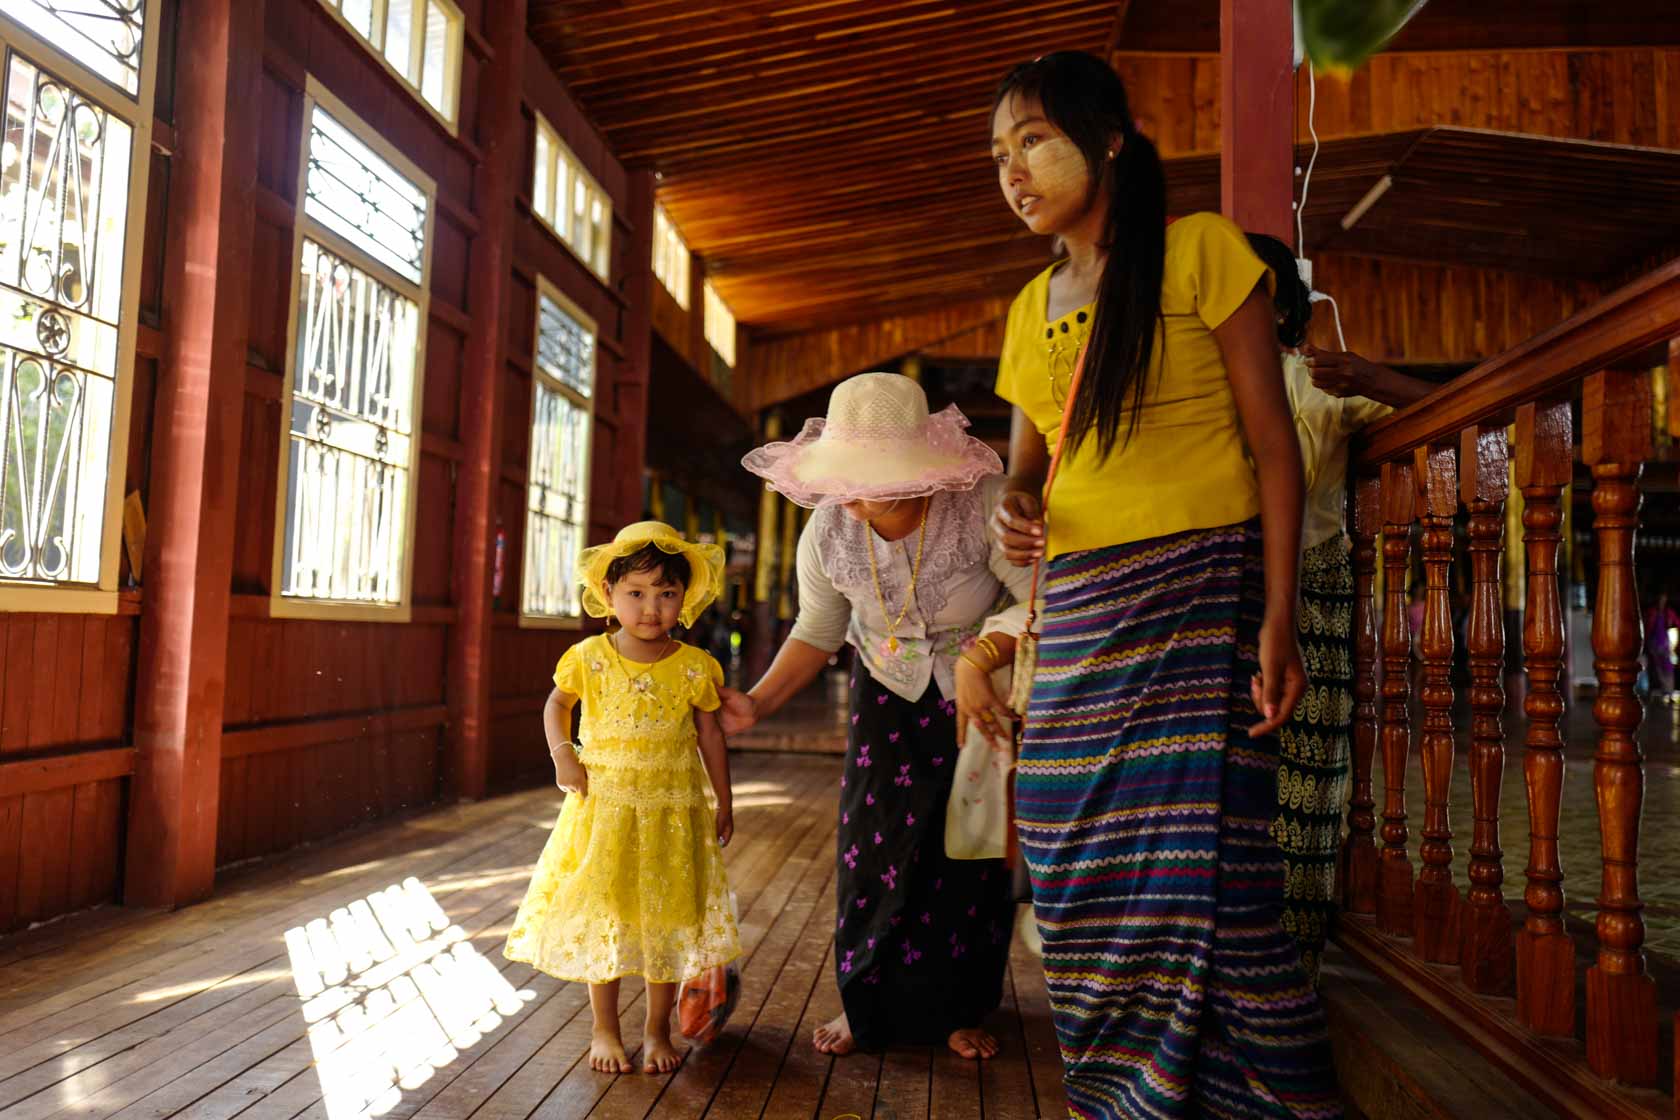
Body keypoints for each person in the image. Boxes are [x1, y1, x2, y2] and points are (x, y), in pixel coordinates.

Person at [987, 51, 1342, 1118]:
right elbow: (1028, 461)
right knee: (1058, 839)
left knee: (1216, 873)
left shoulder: (1201, 251)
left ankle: (1268, 1099)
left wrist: (1278, 617)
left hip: (1199, 592)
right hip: (1087, 602)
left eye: (1034, 140)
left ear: (1109, 145)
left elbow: (1274, 444)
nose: (1012, 170)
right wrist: (1015, 501)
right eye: (998, 154)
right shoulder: (1027, 304)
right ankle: (1125, 1090)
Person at [721, 371, 1030, 1060]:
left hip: (974, 692)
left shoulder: (982, 504)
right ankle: (866, 1002)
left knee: (964, 852)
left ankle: (960, 1006)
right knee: (875, 848)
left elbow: (1038, 596)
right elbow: (819, 627)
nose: (859, 496)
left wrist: (984, 659)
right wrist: (759, 704)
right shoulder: (828, 529)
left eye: (878, 477)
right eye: (851, 477)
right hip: (884, 688)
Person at [1248, 232, 1430, 985]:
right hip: (1219, 596)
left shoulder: (1320, 383)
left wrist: (1374, 377)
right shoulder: (1191, 390)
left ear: (1287, 307)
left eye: (1254, 293)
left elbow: (1456, 410)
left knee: (1306, 790)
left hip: (1313, 596)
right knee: (1229, 790)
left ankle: (1293, 970)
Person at [504, 522, 740, 1075]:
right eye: (636, 593)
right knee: (605, 914)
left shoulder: (695, 665)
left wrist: (723, 802)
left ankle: (656, 1031)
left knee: (665, 920)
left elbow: (710, 735)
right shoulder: (588, 657)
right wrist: (563, 752)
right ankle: (604, 1028)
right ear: (609, 595)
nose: (651, 607)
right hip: (605, 810)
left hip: (671, 812)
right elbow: (556, 706)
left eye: (666, 594)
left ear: (685, 598)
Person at [1647, 591, 1680, 701]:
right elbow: (1648, 627)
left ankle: (1669, 692)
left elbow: (1677, 622)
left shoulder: (1668, 613)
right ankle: (1657, 691)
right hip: (1654, 644)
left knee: (1668, 668)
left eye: (1664, 599)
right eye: (1660, 599)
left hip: (1665, 644)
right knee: (1656, 669)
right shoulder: (1653, 612)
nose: (1662, 602)